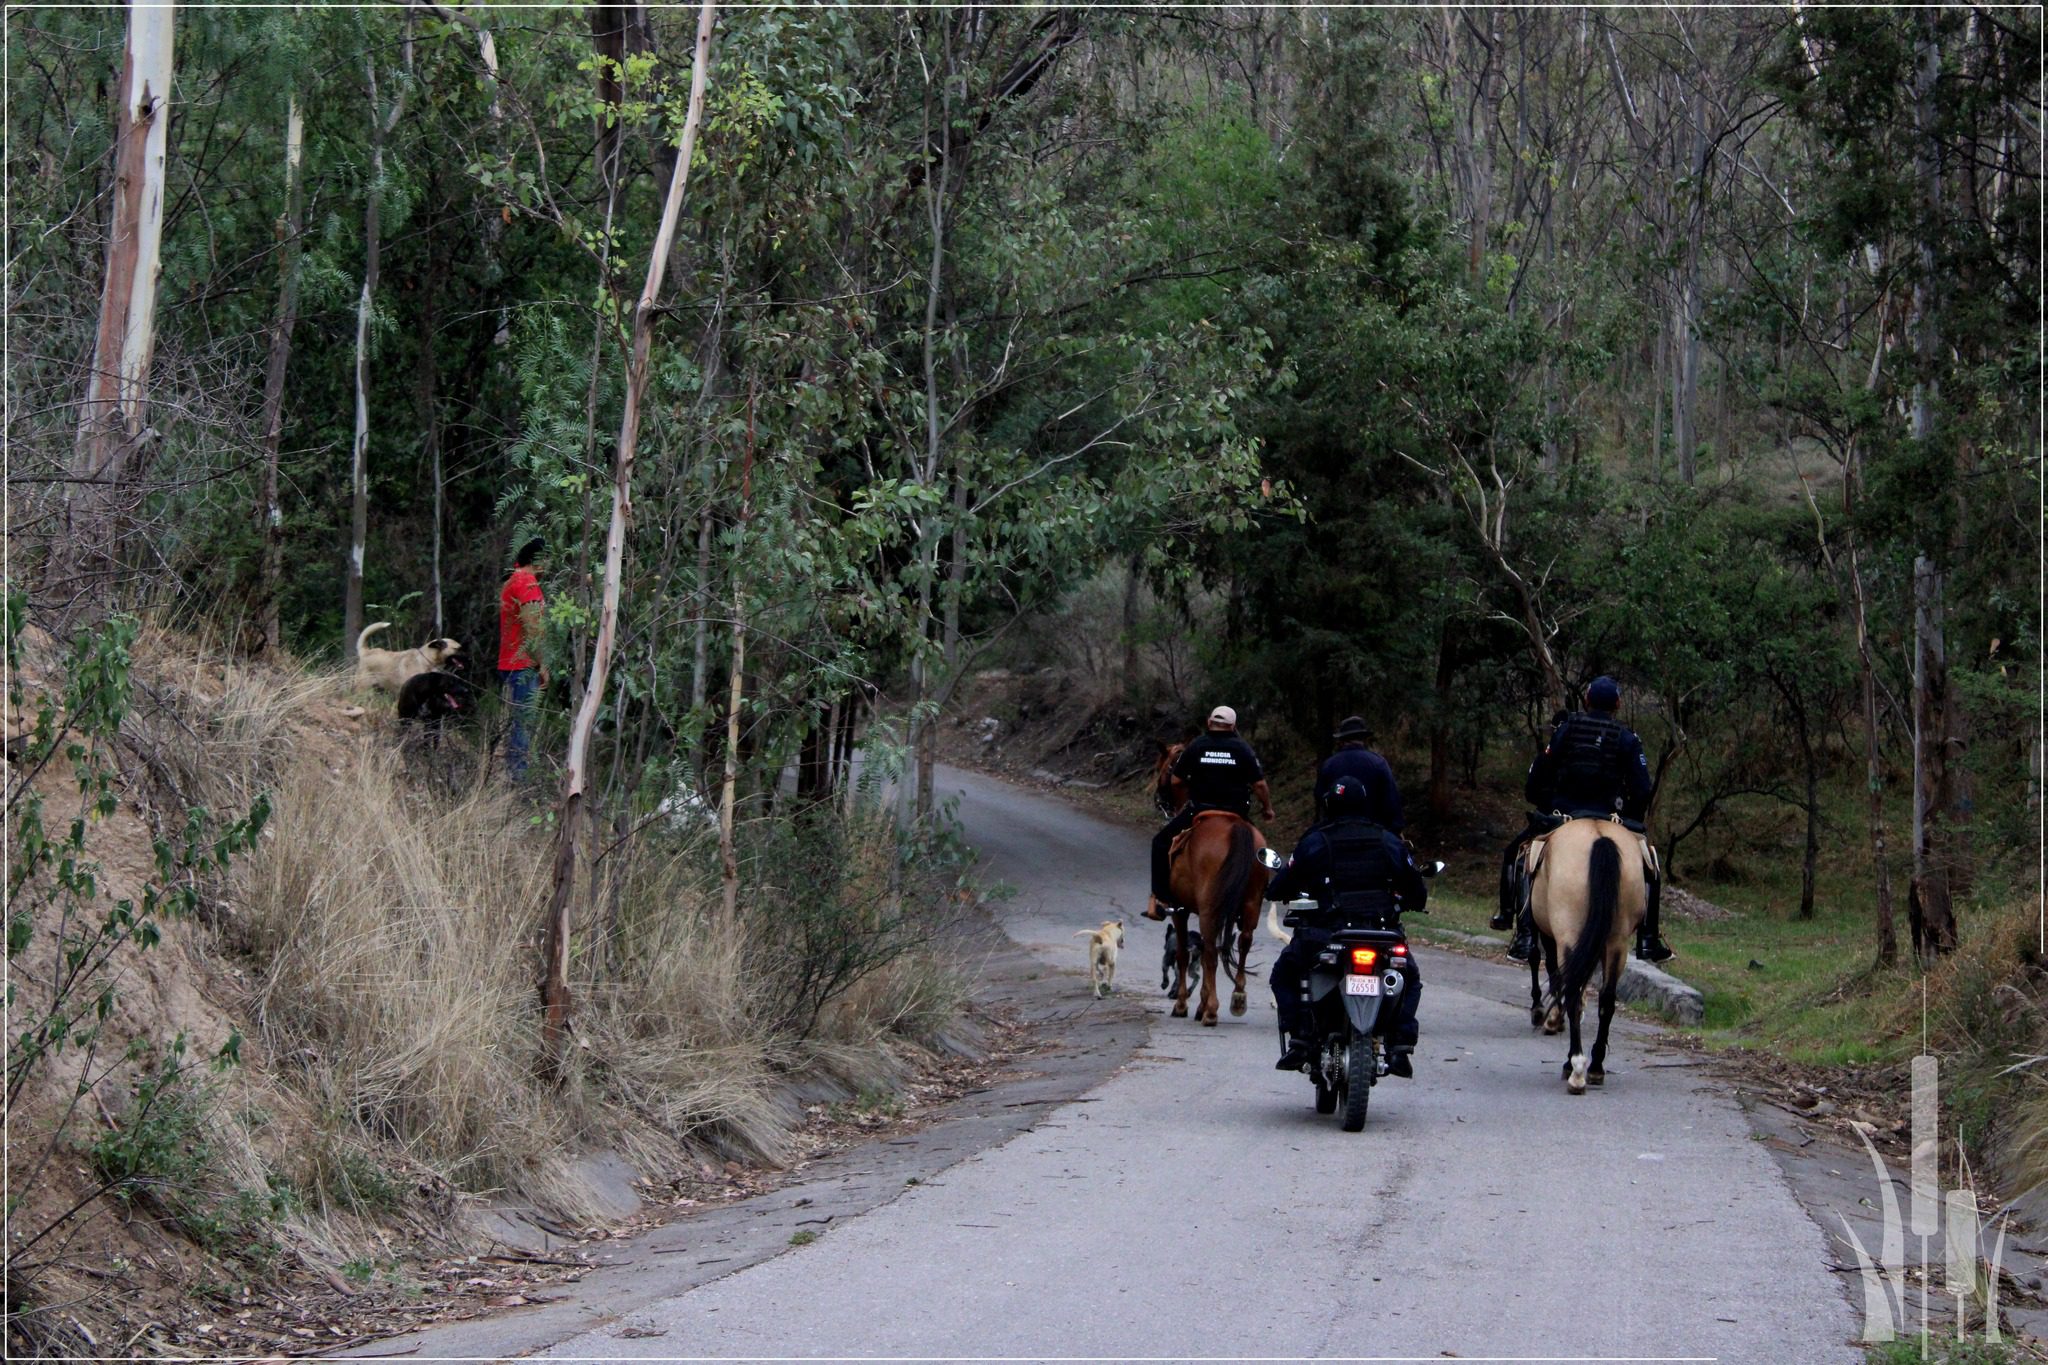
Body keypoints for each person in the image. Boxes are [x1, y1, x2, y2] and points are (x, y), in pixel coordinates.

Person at [1494, 676, 1671, 963]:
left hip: (1564, 814)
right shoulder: (1628, 739)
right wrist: (1628, 815)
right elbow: (1642, 789)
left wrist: (1544, 799)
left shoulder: (1567, 729)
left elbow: (1543, 771)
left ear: (1586, 701)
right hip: (1612, 817)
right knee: (1651, 867)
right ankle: (1649, 937)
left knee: (1516, 855)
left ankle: (1520, 929)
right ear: (1618, 704)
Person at [1263, 774, 1429, 1075]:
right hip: (1380, 933)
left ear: (1328, 805)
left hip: (1326, 933)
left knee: (1284, 975)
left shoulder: (1315, 840)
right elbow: (1416, 887)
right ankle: (1400, 1046)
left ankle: (1300, 1039)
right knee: (1410, 979)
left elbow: (1284, 882)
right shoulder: (1387, 839)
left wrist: (1278, 891)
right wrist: (1412, 900)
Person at [1146, 705, 1275, 921]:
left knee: (1160, 843)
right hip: (1237, 812)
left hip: (1201, 809)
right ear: (1233, 726)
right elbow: (1260, 785)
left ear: (1209, 723)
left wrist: (1183, 803)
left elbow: (1176, 780)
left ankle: (1161, 899)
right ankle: (1259, 890)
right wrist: (1267, 809)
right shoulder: (1243, 748)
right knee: (1259, 851)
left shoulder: (1197, 746)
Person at [498, 536, 550, 780]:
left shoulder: (514, 580)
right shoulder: (526, 582)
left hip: (511, 663)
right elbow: (533, 627)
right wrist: (542, 663)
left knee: (517, 725)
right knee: (523, 726)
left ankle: (513, 777)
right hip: (522, 666)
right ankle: (519, 782)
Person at [1313, 715, 1403, 831]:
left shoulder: (1329, 765)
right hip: (1375, 834)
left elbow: (1320, 797)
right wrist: (1395, 831)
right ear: (1364, 739)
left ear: (1342, 740)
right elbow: (1392, 801)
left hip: (1337, 834)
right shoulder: (1379, 763)